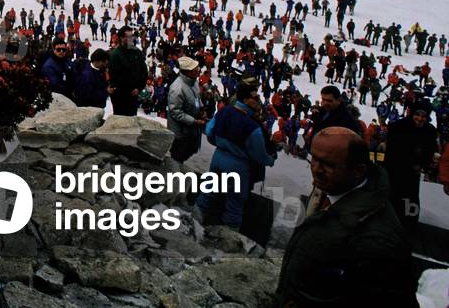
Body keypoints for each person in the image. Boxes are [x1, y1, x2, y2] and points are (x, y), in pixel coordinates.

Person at [275, 127, 417, 306]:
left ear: (358, 170)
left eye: (328, 164)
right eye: (314, 159)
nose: (316, 170)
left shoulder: (378, 242)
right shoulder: (332, 191)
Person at [196, 82, 274, 228]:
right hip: (238, 165)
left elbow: (210, 131)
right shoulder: (252, 126)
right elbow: (259, 154)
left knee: (207, 193)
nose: (257, 100)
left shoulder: (224, 111)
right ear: (245, 100)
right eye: (254, 97)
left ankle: (194, 222)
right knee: (235, 203)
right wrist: (270, 160)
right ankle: (229, 238)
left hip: (218, 158)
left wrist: (220, 145)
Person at [383, 100, 439, 233]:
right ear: (412, 113)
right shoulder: (399, 126)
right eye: (417, 114)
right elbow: (391, 150)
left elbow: (430, 151)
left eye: (424, 116)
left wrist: (423, 164)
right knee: (393, 197)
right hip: (395, 170)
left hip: (413, 173)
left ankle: (409, 226)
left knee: (410, 199)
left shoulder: (430, 130)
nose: (420, 119)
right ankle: (388, 224)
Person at [167, 57, 205, 163]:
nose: (198, 70)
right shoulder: (177, 88)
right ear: (187, 71)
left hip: (191, 129)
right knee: (178, 156)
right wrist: (194, 121)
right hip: (181, 132)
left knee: (190, 150)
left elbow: (197, 98)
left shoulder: (194, 83)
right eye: (195, 69)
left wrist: (201, 109)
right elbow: (175, 112)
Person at [106, 25, 147, 116]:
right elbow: (113, 76)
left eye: (132, 36)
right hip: (119, 96)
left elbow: (144, 71)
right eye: (128, 36)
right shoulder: (115, 55)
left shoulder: (137, 52)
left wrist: (139, 88)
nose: (131, 38)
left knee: (132, 120)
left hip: (133, 94)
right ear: (121, 38)